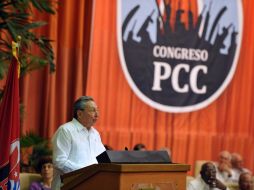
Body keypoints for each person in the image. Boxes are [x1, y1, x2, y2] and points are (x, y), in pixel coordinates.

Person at [51, 96, 105, 190]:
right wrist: (87, 172)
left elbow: (103, 158)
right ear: (79, 113)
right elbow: (59, 161)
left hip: (91, 183)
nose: (97, 114)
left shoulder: (95, 134)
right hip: (69, 185)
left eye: (97, 110)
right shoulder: (66, 130)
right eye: (93, 110)